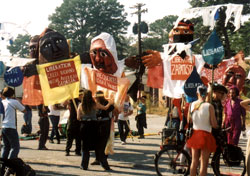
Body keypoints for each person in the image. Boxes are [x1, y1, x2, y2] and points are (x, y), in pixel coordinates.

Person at [77, 89, 113, 170]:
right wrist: (110, 103)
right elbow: (105, 108)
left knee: (85, 147)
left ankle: (84, 165)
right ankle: (105, 165)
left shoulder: (80, 105)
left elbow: (78, 118)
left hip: (84, 126)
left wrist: (84, 116)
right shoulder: (94, 104)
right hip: (94, 126)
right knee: (98, 146)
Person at [187, 85, 218, 176]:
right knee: (203, 164)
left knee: (194, 161)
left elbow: (189, 120)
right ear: (207, 94)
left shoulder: (192, 105)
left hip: (195, 134)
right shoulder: (209, 106)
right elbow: (214, 124)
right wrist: (218, 126)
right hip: (206, 136)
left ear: (197, 93)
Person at [1, 87, 26, 159]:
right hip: (10, 126)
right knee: (15, 147)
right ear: (12, 94)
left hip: (3, 126)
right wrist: (18, 101)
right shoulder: (14, 102)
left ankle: (3, 164)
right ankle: (11, 164)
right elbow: (24, 110)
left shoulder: (2, 102)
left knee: (6, 147)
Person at [91, 91, 114, 167]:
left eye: (96, 97)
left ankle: (103, 160)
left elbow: (111, 110)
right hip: (98, 124)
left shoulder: (107, 103)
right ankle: (98, 159)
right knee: (98, 143)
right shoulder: (96, 103)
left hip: (104, 124)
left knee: (103, 143)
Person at [64, 90, 83, 156]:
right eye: (81, 95)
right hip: (72, 121)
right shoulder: (73, 100)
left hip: (79, 121)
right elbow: (66, 102)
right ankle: (67, 150)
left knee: (78, 138)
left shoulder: (82, 102)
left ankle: (77, 151)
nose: (82, 96)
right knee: (70, 137)